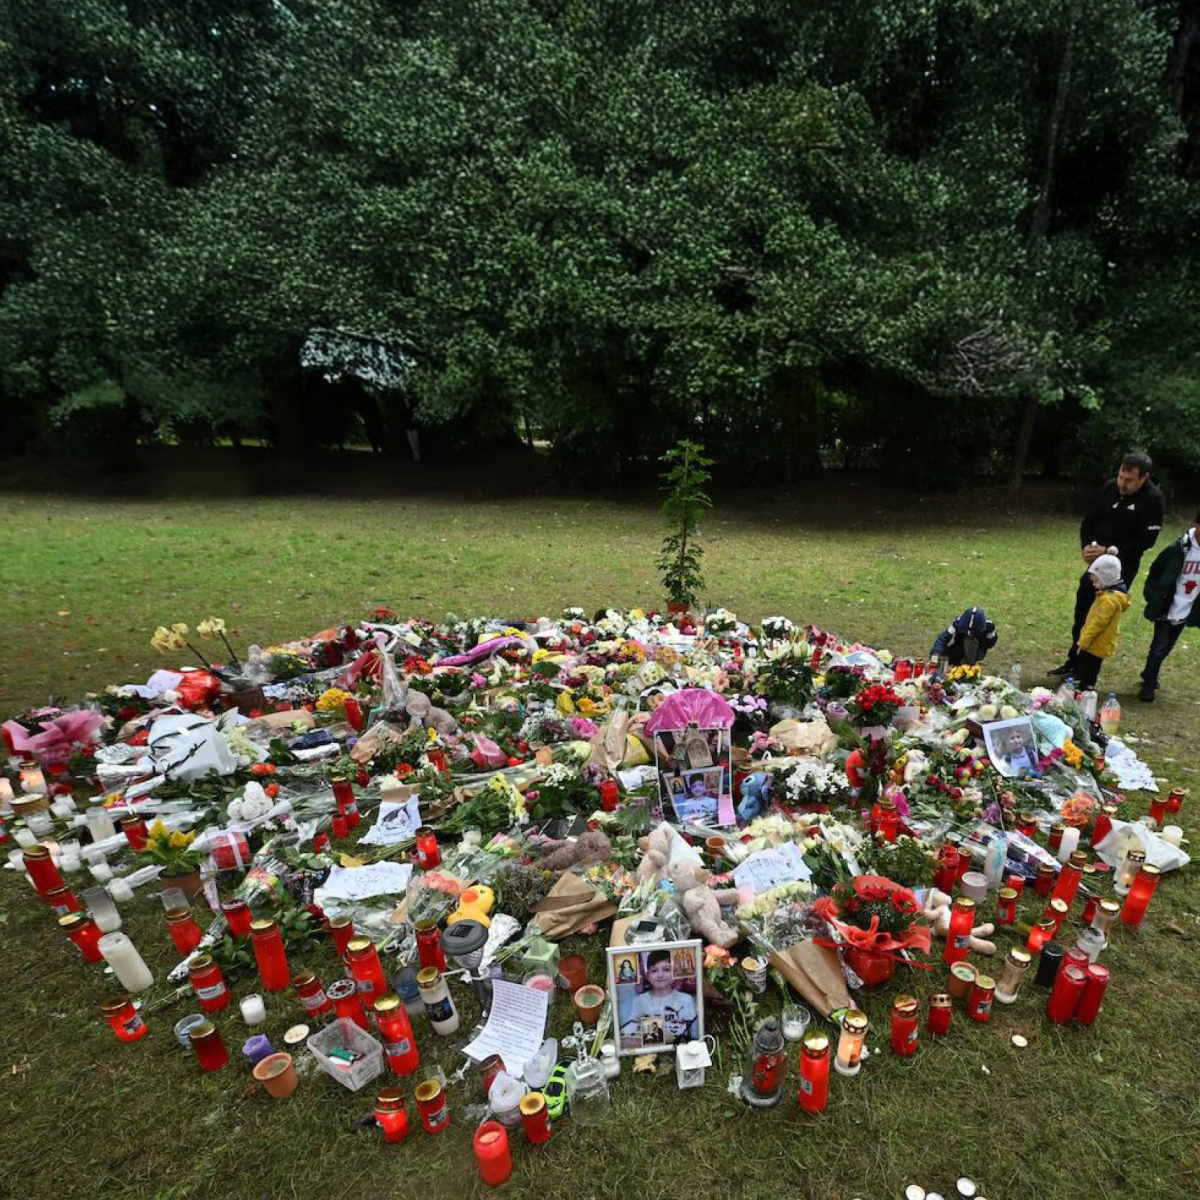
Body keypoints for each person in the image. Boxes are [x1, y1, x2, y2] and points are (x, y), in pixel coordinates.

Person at [1050, 453, 1164, 677]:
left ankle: (1087, 673)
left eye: (1129, 480)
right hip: (1096, 565)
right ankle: (1073, 661)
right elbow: (1089, 520)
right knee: (1082, 610)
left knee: (1102, 617)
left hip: (1121, 569)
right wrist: (1086, 546)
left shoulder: (1153, 499)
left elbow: (1146, 541)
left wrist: (1110, 550)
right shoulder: (1109, 488)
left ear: (1144, 478)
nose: (1122, 483)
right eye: (1121, 476)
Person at [1137, 508, 1200, 701]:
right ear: (1197, 525)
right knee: (1158, 647)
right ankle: (1148, 685)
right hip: (1166, 606)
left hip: (1187, 607)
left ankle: (1149, 672)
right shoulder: (1178, 549)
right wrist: (1154, 596)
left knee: (1168, 646)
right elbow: (1156, 572)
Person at [1074, 553, 1131, 689]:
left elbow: (1097, 623)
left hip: (1095, 643)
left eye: (1096, 581)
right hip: (1100, 643)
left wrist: (1084, 641)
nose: (1094, 585)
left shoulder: (1108, 600)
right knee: (1092, 668)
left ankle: (1084, 690)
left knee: (1088, 669)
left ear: (1106, 579)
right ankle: (1086, 687)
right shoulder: (1110, 596)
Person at [619, 950, 698, 1044]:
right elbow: (631, 1026)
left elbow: (691, 1029)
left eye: (666, 969)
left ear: (674, 973)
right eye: (654, 971)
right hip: (649, 1044)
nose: (660, 975)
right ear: (647, 976)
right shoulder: (640, 1000)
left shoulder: (685, 999)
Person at [930, 607, 998, 666]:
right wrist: (936, 653)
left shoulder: (989, 626)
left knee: (970, 641)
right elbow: (944, 638)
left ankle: (968, 666)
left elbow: (990, 643)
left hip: (978, 648)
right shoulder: (957, 623)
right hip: (958, 646)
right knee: (941, 654)